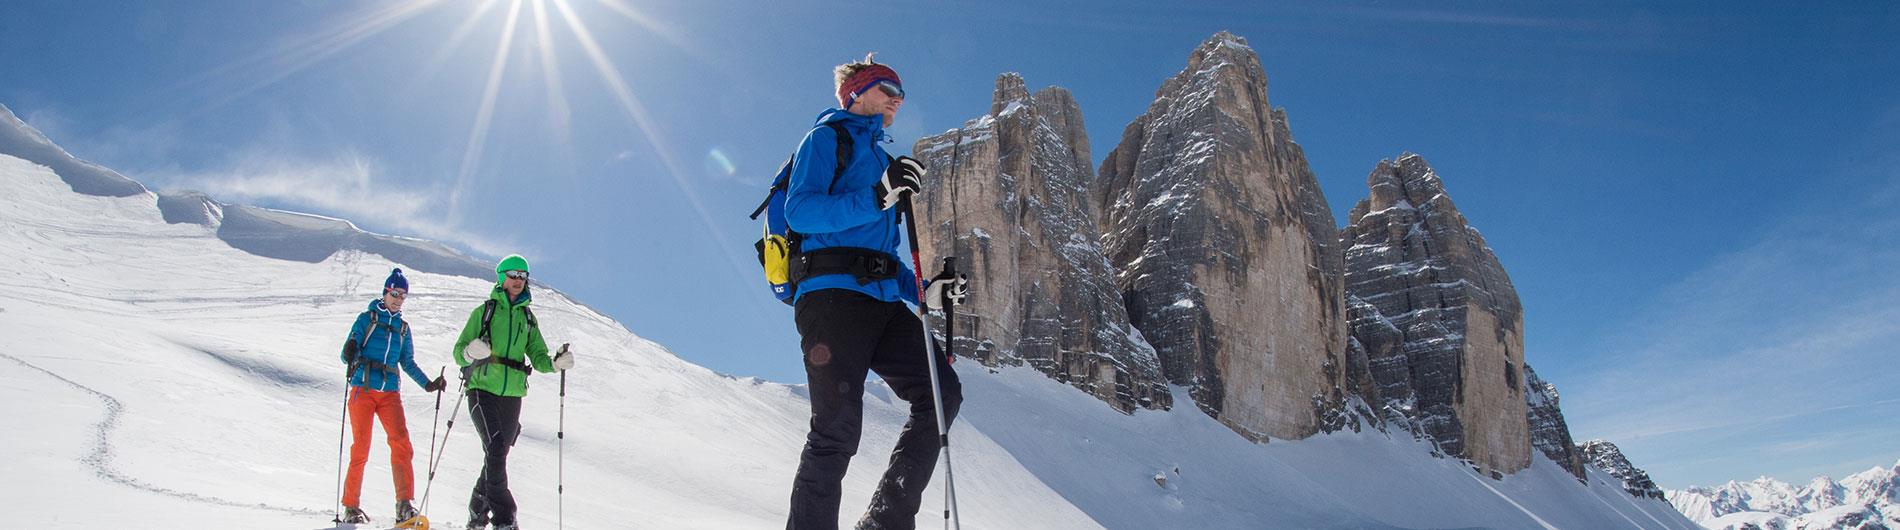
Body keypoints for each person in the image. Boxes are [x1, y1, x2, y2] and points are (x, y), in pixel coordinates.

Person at [782, 53, 968, 530]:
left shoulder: (886, 163)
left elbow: (883, 255)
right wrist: (876, 196)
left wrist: (925, 290)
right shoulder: (825, 140)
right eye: (889, 90)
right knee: (836, 430)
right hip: (831, 297)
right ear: (857, 92)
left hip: (883, 302)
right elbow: (801, 212)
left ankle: (885, 523)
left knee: (942, 395)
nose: (898, 101)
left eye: (902, 95)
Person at [452, 254, 576, 530]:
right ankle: (505, 519)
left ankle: (476, 511)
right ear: (501, 277)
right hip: (481, 390)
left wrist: (555, 363)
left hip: (513, 395)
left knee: (498, 454)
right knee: (495, 447)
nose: (519, 280)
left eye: (523, 276)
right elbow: (458, 352)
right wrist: (470, 352)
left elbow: (538, 356)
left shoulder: (528, 318)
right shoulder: (485, 311)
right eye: (513, 274)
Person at [340, 268, 448, 524]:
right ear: (386, 292)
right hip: (362, 390)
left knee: (401, 444)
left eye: (403, 296)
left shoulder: (403, 328)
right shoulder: (367, 319)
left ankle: (404, 504)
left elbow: (407, 362)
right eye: (395, 293)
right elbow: (347, 354)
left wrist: (428, 384)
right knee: (361, 449)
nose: (398, 299)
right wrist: (350, 350)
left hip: (389, 394)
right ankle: (350, 506)